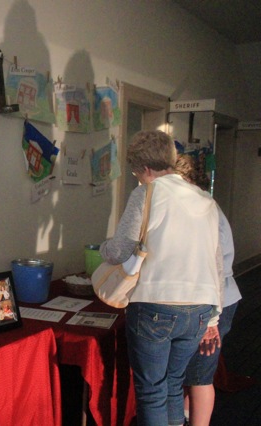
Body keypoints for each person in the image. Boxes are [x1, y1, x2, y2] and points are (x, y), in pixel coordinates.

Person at [99, 130, 223, 426]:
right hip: (199, 309)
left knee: (152, 391)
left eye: (135, 173)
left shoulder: (146, 193)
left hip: (156, 305)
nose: (137, 178)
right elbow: (215, 262)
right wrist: (214, 318)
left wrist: (102, 249)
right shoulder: (205, 199)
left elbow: (118, 250)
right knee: (173, 383)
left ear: (145, 169)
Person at [176, 154, 241, 426]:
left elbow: (213, 267)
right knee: (194, 373)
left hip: (215, 301)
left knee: (200, 376)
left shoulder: (203, 209)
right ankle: (186, 415)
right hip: (213, 299)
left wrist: (210, 319)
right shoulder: (202, 206)